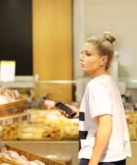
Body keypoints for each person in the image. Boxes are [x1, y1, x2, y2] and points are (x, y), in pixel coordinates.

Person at [45, 32, 131, 165]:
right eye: (81, 53)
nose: (81, 58)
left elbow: (105, 124)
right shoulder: (108, 81)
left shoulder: (97, 85)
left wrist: (93, 161)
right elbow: (104, 116)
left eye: (88, 54)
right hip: (114, 156)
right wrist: (81, 114)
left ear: (103, 60)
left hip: (101, 158)